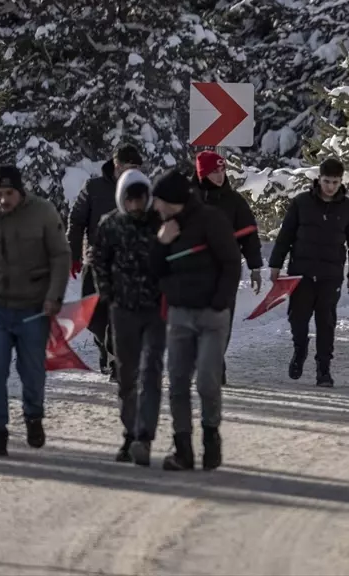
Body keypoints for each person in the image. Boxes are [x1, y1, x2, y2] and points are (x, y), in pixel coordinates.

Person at [0, 165, 70, 457]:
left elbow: (60, 254)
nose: (4, 199)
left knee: (31, 371)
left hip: (33, 307)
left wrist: (54, 296)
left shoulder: (43, 212)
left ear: (21, 191)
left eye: (10, 193)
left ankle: (33, 416)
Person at [150, 169, 242, 471]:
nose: (155, 206)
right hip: (179, 314)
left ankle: (211, 439)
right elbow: (152, 271)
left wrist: (220, 302)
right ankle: (183, 448)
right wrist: (161, 244)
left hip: (212, 315)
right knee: (176, 381)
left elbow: (231, 263)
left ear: (173, 200)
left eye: (159, 201)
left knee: (206, 380)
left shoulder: (211, 220)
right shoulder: (164, 226)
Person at [269, 158, 349, 388]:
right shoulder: (302, 203)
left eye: (334, 181)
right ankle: (299, 350)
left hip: (330, 276)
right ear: (318, 179)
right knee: (297, 318)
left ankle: (324, 370)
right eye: (326, 181)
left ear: (341, 181)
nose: (330, 186)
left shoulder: (348, 208)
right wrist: (275, 265)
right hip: (301, 274)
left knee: (326, 322)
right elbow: (285, 236)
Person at [91, 169, 164, 466]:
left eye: (140, 199)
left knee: (151, 374)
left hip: (156, 312)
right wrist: (108, 293)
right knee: (127, 377)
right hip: (122, 312)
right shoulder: (110, 225)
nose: (136, 205)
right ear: (123, 199)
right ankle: (130, 432)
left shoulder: (159, 223)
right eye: (130, 199)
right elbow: (99, 261)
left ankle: (144, 437)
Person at [69, 144, 143, 380]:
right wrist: (74, 255)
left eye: (136, 168)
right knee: (94, 315)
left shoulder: (141, 189)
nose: (132, 173)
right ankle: (105, 347)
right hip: (97, 260)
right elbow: (77, 220)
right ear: (116, 165)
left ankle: (117, 359)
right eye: (128, 167)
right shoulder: (94, 188)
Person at [194, 150, 262, 385]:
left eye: (222, 170)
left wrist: (255, 267)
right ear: (203, 174)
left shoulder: (234, 201)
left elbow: (249, 235)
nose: (220, 175)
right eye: (214, 172)